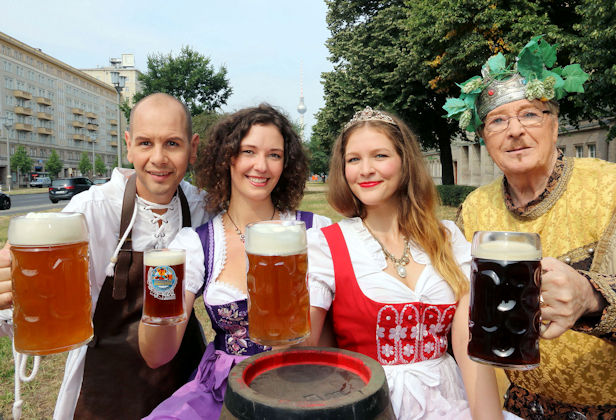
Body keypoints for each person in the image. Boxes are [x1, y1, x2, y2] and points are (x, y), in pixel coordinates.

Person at [446, 36, 616, 418]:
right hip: (514, 410)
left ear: (555, 124)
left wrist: (593, 299)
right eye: (498, 120)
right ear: (484, 137)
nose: (514, 130)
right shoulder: (475, 208)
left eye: (530, 114)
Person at [0, 93, 211, 419]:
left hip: (184, 382)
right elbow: (33, 300)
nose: (158, 158)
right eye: (145, 143)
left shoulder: (203, 208)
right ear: (127, 145)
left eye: (172, 143)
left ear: (193, 147)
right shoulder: (89, 211)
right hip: (107, 386)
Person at [304, 107, 510, 420]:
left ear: (405, 162)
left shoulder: (448, 238)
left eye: (380, 156)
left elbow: (471, 345)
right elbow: (303, 346)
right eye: (353, 159)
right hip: (368, 405)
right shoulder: (324, 245)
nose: (366, 169)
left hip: (448, 400)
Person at [140, 104, 332, 420]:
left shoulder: (316, 231)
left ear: (286, 164)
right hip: (224, 388)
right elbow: (158, 355)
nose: (261, 165)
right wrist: (159, 303)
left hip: (303, 382)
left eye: (274, 154)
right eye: (248, 152)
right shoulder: (195, 244)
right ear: (229, 157)